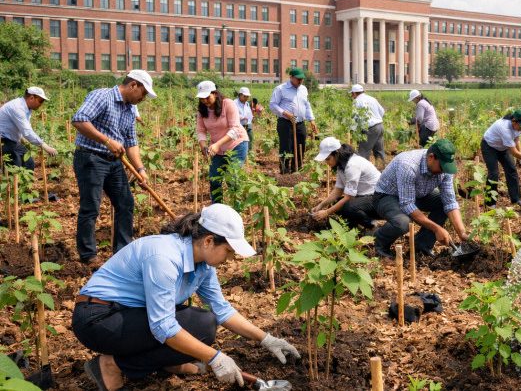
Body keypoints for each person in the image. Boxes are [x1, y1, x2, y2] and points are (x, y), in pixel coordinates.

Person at [72, 204, 300, 391]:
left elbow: (221, 310)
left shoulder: (204, 266)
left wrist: (266, 339)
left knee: (205, 324)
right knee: (192, 329)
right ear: (209, 241)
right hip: (99, 318)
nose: (231, 259)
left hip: (131, 315)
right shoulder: (164, 257)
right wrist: (215, 358)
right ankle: (111, 365)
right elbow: (163, 326)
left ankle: (166, 363)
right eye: (229, 251)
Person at [72, 70, 155, 269]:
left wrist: (141, 169)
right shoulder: (102, 96)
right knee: (91, 206)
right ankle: (88, 255)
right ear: (133, 85)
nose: (143, 99)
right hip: (91, 157)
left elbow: (131, 142)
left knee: (126, 202)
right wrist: (106, 141)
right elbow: (79, 119)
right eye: (143, 93)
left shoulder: (130, 110)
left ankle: (122, 251)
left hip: (114, 161)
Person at [372, 139, 470, 259]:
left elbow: (449, 201)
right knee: (403, 222)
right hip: (387, 196)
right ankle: (379, 243)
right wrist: (436, 229)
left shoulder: (445, 169)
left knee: (442, 203)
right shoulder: (408, 165)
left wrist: (462, 233)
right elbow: (407, 205)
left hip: (417, 195)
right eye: (442, 167)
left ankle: (422, 246)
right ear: (431, 157)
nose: (444, 171)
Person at [195, 80, 249, 203]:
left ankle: (237, 208)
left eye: (207, 97)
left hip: (237, 144)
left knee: (232, 178)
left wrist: (217, 144)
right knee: (214, 179)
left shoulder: (227, 104)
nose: (204, 101)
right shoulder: (202, 111)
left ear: (215, 93)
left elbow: (235, 129)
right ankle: (217, 208)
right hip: (218, 149)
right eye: (202, 98)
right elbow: (201, 131)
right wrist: (203, 147)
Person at [311, 137, 381, 230]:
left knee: (348, 207)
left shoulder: (352, 165)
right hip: (365, 197)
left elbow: (349, 197)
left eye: (328, 159)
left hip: (378, 198)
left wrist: (326, 212)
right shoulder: (341, 166)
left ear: (336, 153)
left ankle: (372, 226)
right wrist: (321, 205)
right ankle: (355, 227)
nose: (326, 162)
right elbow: (338, 191)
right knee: (338, 204)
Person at [481, 109, 521, 208]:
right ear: (514, 121)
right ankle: (490, 204)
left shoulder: (519, 127)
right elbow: (514, 153)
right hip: (489, 146)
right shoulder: (504, 128)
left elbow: (517, 139)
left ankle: (516, 199)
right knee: (493, 173)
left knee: (511, 170)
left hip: (503, 147)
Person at [269, 68, 317, 173]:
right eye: (298, 79)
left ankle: (297, 169)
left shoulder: (303, 89)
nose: (300, 81)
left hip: (300, 123)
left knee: (301, 145)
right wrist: (285, 113)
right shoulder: (281, 89)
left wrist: (311, 119)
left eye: (302, 79)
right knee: (286, 146)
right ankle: (284, 170)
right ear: (291, 77)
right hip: (285, 123)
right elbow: (272, 105)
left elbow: (307, 105)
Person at [0, 86, 58, 170]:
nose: (41, 104)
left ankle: (25, 182)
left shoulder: (26, 108)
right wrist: (45, 146)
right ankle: (11, 181)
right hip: (3, 141)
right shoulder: (17, 108)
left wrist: (22, 138)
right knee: (16, 164)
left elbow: (24, 128)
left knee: (28, 163)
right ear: (31, 98)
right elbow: (27, 131)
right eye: (41, 101)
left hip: (10, 140)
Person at [349, 84, 386, 164]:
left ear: (354, 93)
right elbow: (382, 111)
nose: (352, 96)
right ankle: (383, 171)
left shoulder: (357, 101)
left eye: (352, 94)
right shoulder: (372, 99)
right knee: (379, 151)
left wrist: (352, 131)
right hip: (380, 126)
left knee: (363, 152)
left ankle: (365, 173)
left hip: (370, 129)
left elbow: (354, 118)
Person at [235, 87, 254, 152]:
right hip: (239, 125)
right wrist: (242, 117)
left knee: (250, 138)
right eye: (245, 96)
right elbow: (233, 115)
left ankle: (249, 153)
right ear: (240, 95)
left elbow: (249, 113)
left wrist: (251, 117)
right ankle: (241, 153)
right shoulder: (234, 103)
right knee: (240, 140)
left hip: (248, 124)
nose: (246, 98)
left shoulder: (247, 103)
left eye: (247, 96)